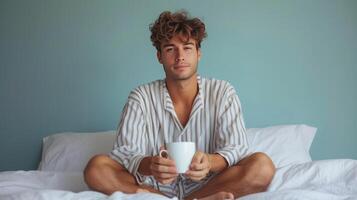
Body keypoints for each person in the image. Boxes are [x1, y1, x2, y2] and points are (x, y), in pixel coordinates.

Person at [84, 10, 275, 200]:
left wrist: (210, 162)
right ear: (159, 56)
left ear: (198, 53)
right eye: (170, 49)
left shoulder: (223, 92)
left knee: (262, 166)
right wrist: (150, 164)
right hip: (152, 186)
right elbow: (123, 152)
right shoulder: (140, 97)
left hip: (210, 184)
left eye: (187, 47)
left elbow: (237, 147)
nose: (180, 56)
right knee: (96, 168)